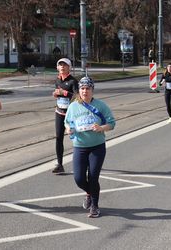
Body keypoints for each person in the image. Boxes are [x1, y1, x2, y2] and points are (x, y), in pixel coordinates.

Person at [64, 76, 116, 218]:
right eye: (82, 88)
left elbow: (112, 123)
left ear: (92, 90)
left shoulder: (100, 105)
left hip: (97, 147)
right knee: (79, 179)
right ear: (79, 90)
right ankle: (89, 192)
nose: (85, 91)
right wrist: (68, 129)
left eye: (88, 88)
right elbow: (67, 122)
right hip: (79, 146)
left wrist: (101, 128)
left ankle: (94, 206)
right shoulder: (73, 106)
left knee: (93, 177)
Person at [52, 58, 79, 174]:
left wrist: (65, 93)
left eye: (65, 65)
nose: (62, 67)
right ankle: (60, 164)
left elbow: (78, 97)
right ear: (57, 68)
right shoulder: (57, 80)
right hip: (59, 113)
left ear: (69, 67)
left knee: (77, 138)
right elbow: (58, 93)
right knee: (59, 138)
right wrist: (56, 94)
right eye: (60, 65)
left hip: (71, 115)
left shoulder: (73, 81)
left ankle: (82, 161)